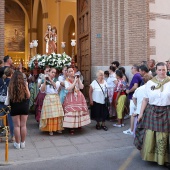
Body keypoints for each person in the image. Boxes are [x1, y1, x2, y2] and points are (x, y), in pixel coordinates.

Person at [134, 62, 170, 166]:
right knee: (151, 134)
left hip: (167, 111)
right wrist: (140, 113)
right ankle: (152, 156)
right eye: (159, 70)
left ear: (166, 70)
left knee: (165, 135)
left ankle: (166, 158)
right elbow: (145, 99)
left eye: (163, 70)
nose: (162, 72)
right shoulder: (150, 83)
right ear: (156, 70)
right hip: (152, 111)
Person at [63, 66, 90, 134]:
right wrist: (75, 81)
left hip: (78, 95)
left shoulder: (77, 78)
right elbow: (69, 88)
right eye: (69, 71)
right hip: (70, 96)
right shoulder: (66, 80)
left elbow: (81, 87)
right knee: (71, 111)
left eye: (72, 71)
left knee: (79, 110)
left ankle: (78, 124)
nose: (71, 72)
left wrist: (79, 80)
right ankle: (71, 127)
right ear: (67, 73)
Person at [8, 71, 30, 149]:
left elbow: (9, 97)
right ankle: (23, 143)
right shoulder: (24, 85)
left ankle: (17, 144)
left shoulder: (11, 85)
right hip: (24, 106)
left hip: (14, 106)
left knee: (16, 126)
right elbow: (28, 96)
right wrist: (26, 86)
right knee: (23, 125)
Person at [39, 68, 64, 135]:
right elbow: (42, 90)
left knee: (57, 114)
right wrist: (45, 81)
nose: (53, 74)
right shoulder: (45, 80)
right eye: (52, 72)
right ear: (49, 73)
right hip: (48, 97)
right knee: (50, 114)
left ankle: (58, 128)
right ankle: (50, 129)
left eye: (54, 72)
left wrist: (50, 80)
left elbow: (56, 87)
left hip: (55, 97)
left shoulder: (57, 81)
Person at [123, 65, 142, 135]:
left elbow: (135, 86)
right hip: (136, 97)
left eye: (132, 68)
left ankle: (131, 130)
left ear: (134, 69)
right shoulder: (138, 75)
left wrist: (129, 91)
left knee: (132, 114)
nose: (131, 69)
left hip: (133, 97)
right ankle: (133, 129)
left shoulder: (136, 76)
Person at [0, 67, 14, 142]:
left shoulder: (1, 80)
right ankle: (12, 136)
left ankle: (0, 136)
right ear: (11, 74)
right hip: (9, 102)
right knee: (11, 119)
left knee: (1, 119)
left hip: (1, 101)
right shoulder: (12, 81)